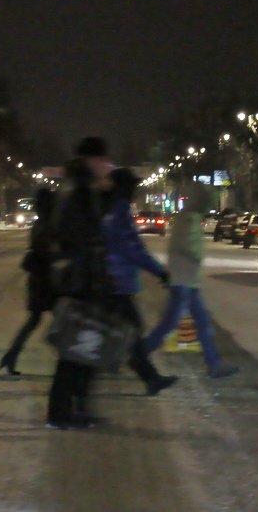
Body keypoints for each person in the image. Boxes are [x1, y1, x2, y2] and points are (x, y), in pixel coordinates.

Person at [46, 137, 113, 430]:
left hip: (83, 279)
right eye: (101, 160)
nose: (105, 165)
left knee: (82, 350)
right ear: (89, 160)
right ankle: (61, 413)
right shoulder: (79, 192)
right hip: (79, 282)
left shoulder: (80, 188)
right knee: (76, 352)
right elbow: (80, 238)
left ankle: (74, 408)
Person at [143, 183, 238, 378]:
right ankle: (138, 353)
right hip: (183, 281)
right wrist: (196, 256)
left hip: (187, 280)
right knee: (169, 325)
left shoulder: (188, 218)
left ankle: (214, 364)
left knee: (199, 322)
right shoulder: (188, 219)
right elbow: (186, 247)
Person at [101, 167, 178, 395]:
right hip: (117, 282)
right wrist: (159, 271)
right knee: (130, 330)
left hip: (110, 280)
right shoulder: (120, 211)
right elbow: (133, 249)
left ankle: (146, 374)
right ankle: (143, 373)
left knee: (126, 330)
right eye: (132, 186)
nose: (134, 190)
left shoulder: (108, 209)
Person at [0, 187, 58, 375]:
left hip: (39, 281)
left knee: (35, 321)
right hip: (47, 282)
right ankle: (70, 363)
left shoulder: (41, 224)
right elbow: (48, 253)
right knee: (62, 322)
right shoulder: (48, 225)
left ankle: (11, 355)